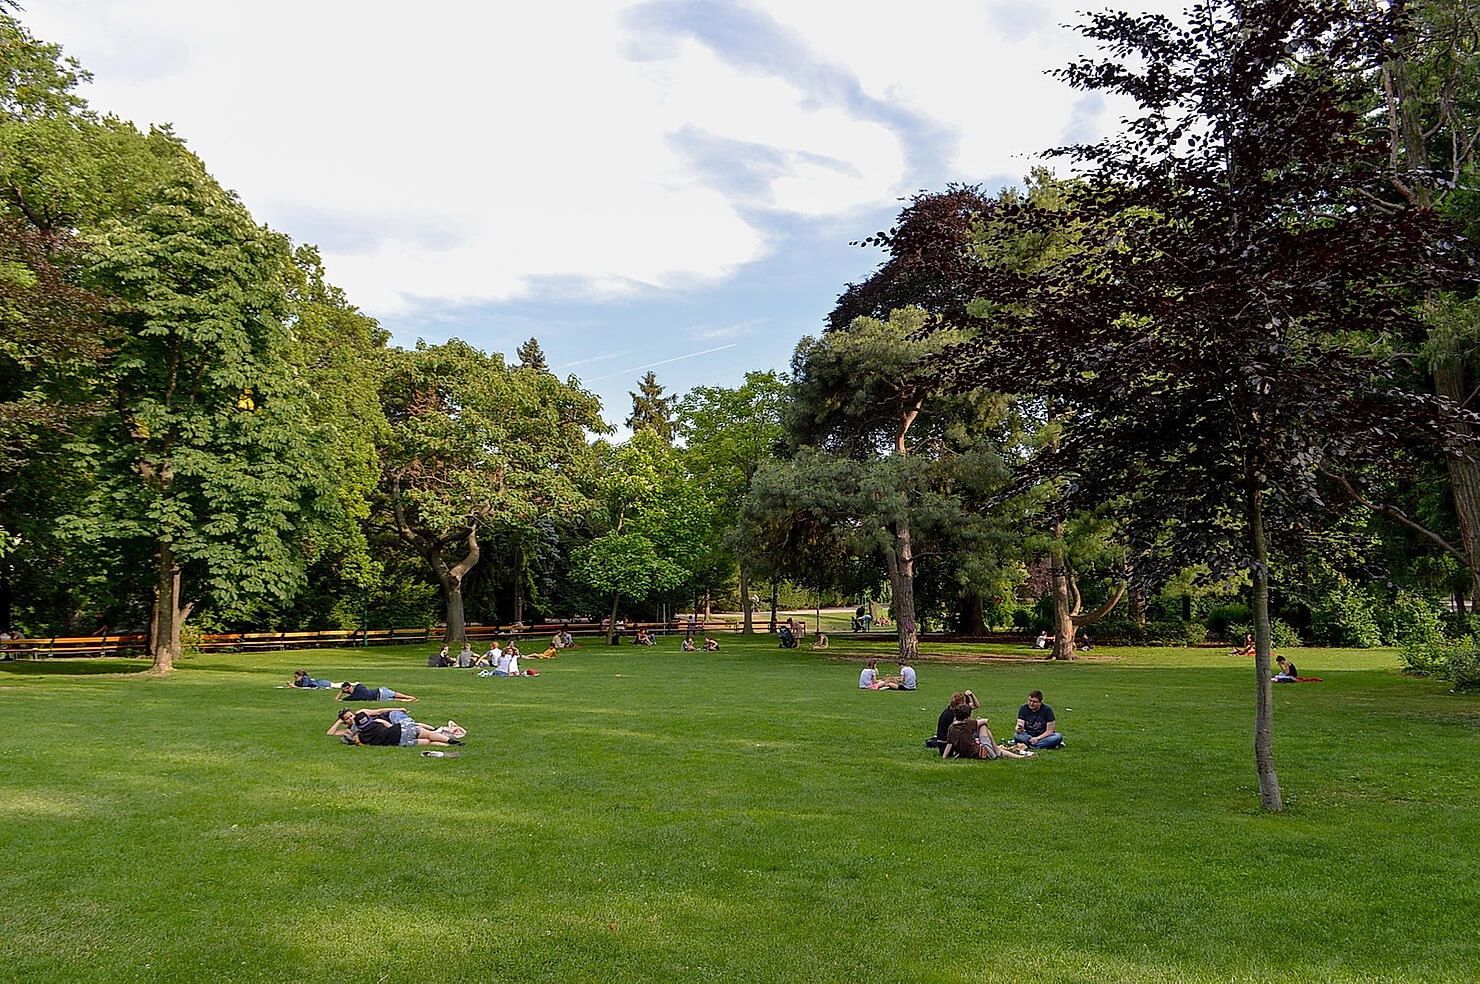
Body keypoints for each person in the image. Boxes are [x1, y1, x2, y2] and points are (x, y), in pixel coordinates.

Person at [329, 708, 464, 748]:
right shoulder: (374, 722)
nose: (351, 718)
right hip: (399, 728)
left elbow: (379, 712)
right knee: (424, 733)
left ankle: (444, 740)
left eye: (351, 716)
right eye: (347, 718)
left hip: (399, 740)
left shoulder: (362, 736)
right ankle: (447, 738)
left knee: (427, 741)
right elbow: (383, 722)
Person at [943, 704, 1031, 759]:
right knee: (983, 726)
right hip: (979, 753)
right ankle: (998, 751)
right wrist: (979, 720)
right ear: (967, 716)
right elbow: (985, 721)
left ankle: (997, 749)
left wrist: (944, 757)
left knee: (980, 727)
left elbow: (949, 743)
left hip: (963, 753)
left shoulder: (951, 727)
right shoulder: (967, 723)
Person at [336, 682, 417, 702]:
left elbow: (337, 700)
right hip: (380, 691)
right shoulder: (359, 687)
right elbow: (359, 684)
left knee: (396, 699)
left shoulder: (353, 697)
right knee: (397, 695)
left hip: (378, 697)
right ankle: (411, 698)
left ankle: (409, 699)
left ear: (347, 688)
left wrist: (341, 692)